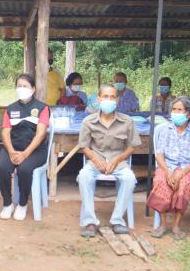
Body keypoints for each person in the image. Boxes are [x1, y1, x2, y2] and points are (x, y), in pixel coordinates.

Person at [77, 84, 141, 237]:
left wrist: (117, 159)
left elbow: (132, 147)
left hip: (119, 162)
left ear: (117, 100)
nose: (109, 100)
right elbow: (83, 147)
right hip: (94, 161)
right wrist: (95, 158)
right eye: (105, 96)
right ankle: (90, 222)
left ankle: (117, 220)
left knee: (129, 178)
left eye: (113, 97)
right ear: (98, 99)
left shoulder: (127, 121)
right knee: (84, 176)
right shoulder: (88, 121)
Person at [0, 74, 50, 221]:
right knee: (2, 168)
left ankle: (22, 203)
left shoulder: (42, 108)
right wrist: (12, 151)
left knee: (24, 169)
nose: (21, 89)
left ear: (32, 89)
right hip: (13, 148)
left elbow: (40, 135)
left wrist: (25, 154)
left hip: (35, 150)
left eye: (25, 86)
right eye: (19, 86)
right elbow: (5, 132)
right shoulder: (11, 108)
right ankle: (7, 203)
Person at [147, 96, 190, 240]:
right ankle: (163, 225)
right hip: (167, 166)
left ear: (188, 114)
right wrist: (167, 172)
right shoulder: (166, 129)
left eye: (180, 110)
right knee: (160, 182)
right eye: (174, 109)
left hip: (185, 169)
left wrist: (181, 173)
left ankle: (177, 225)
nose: (176, 112)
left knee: (184, 185)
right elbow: (159, 154)